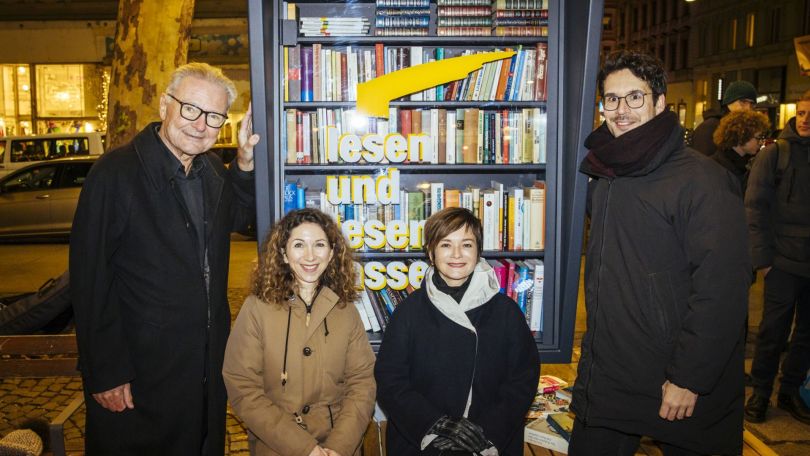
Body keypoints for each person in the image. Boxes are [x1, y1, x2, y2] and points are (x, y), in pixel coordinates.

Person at [70, 62, 260, 455]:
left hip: (202, 364)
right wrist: (105, 372)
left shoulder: (209, 169)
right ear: (163, 106)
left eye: (213, 116)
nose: (200, 124)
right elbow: (90, 280)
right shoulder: (114, 174)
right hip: (139, 375)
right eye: (190, 109)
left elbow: (241, 217)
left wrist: (243, 163)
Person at [571, 50, 751, 455]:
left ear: (660, 103)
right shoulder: (604, 171)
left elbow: (722, 288)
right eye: (611, 99)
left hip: (677, 375)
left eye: (634, 97)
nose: (621, 110)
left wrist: (690, 377)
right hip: (613, 370)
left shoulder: (702, 180)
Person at [375, 207, 540, 456]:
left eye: (466, 244)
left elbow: (522, 381)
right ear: (431, 252)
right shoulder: (408, 311)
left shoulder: (506, 311)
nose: (456, 254)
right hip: (423, 442)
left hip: (486, 443)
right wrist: (433, 424)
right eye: (445, 245)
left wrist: (483, 432)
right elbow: (390, 380)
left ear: (478, 252)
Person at [223, 208, 376, 456]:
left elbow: (362, 385)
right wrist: (304, 449)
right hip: (277, 445)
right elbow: (242, 386)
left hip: (337, 445)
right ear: (283, 254)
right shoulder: (257, 308)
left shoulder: (346, 311)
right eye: (298, 245)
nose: (310, 256)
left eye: (319, 245)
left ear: (332, 253)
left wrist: (338, 447)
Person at [743, 90, 810, 425]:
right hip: (782, 262)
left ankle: (790, 392)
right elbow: (754, 207)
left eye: (809, 113)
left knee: (807, 334)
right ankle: (760, 394)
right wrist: (764, 260)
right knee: (773, 333)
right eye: (800, 112)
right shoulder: (776, 154)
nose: (804, 118)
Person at [711, 110, 771, 195]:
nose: (761, 142)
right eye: (759, 137)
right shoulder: (716, 166)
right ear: (742, 135)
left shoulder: (749, 164)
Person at [692, 80, 758, 155]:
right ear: (729, 102)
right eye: (743, 102)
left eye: (752, 104)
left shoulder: (741, 127)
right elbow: (701, 161)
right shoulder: (710, 127)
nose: (748, 108)